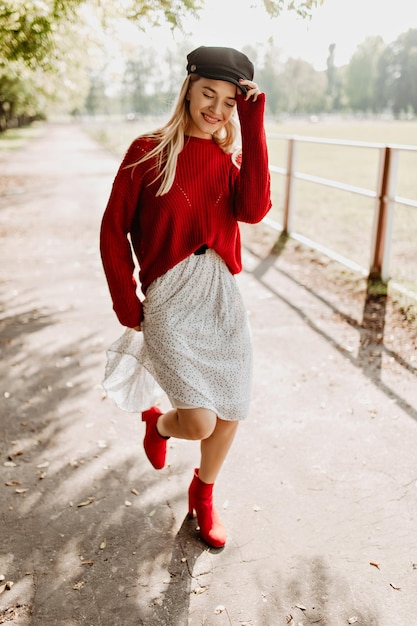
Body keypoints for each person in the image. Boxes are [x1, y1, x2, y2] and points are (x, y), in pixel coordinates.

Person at [100, 45, 271, 549]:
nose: (215, 109)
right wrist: (125, 299)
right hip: (169, 298)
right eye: (207, 94)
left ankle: (204, 493)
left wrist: (256, 128)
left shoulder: (227, 158)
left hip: (219, 293)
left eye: (228, 101)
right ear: (189, 90)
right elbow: (113, 231)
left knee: (232, 407)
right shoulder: (147, 151)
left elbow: (255, 209)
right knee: (198, 419)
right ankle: (160, 425)